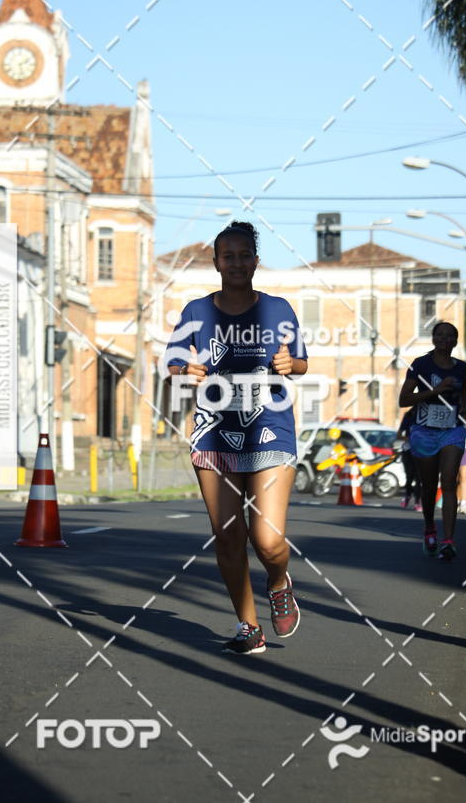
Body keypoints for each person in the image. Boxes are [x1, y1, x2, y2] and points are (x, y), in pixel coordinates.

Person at [165, 221, 308, 653]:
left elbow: (300, 362)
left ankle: (279, 581)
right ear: (216, 263)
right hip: (213, 435)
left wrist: (289, 364)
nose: (237, 263)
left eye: (245, 255)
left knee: (266, 539)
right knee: (228, 535)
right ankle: (249, 627)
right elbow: (173, 360)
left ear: (256, 261)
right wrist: (184, 368)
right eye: (228, 256)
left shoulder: (279, 308)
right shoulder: (196, 311)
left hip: (270, 431)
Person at [398, 321, 466, 560]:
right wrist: (436, 390)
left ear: (455, 341)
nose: (444, 339)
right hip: (424, 431)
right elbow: (404, 399)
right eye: (439, 334)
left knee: (449, 481)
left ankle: (448, 541)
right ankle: (430, 526)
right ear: (433, 339)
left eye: (449, 335)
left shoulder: (461, 367)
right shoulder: (421, 364)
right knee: (429, 486)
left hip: (452, 430)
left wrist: (464, 409)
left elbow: (463, 395)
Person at [397, 406, 422, 511]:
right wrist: (408, 438)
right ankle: (407, 495)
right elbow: (399, 434)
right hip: (408, 450)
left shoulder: (428, 415)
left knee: (419, 478)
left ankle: (418, 501)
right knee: (409, 476)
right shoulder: (409, 415)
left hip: (422, 450)